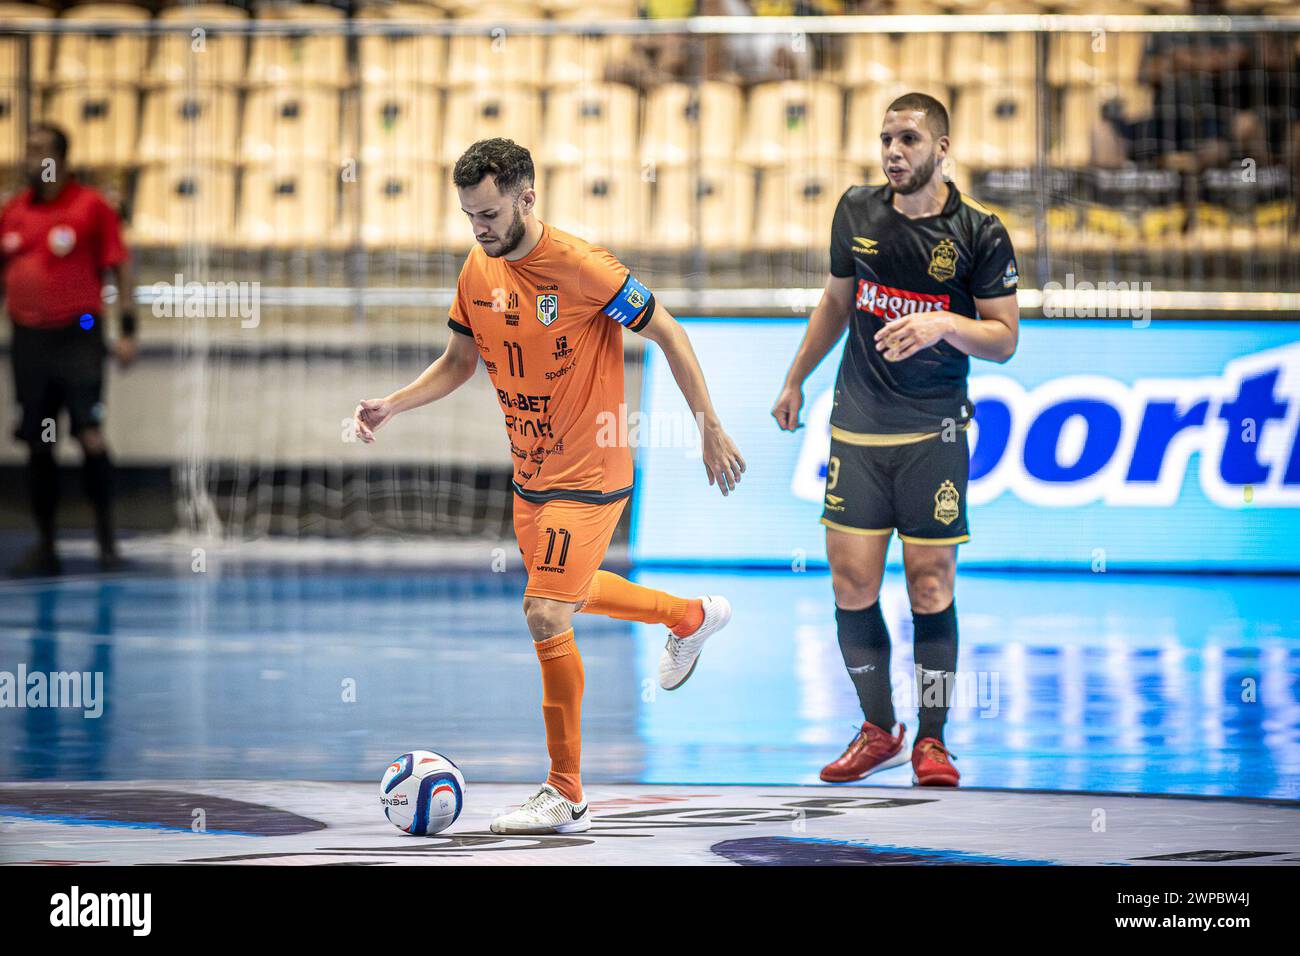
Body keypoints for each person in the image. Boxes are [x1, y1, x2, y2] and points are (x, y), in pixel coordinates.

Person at [354, 138, 745, 833]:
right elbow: (458, 362)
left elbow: (672, 335)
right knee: (569, 593)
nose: (480, 227)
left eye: (491, 213)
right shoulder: (478, 267)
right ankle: (690, 617)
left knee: (544, 612)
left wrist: (708, 426)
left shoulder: (581, 267)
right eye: (470, 214)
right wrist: (392, 404)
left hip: (591, 472)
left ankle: (567, 792)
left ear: (527, 198)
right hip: (530, 476)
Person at [771, 93, 1020, 787]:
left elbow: (1004, 340)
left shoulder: (980, 232)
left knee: (930, 585)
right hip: (856, 426)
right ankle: (879, 727)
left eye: (908, 138)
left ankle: (933, 741)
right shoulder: (856, 210)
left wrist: (942, 324)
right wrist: (795, 380)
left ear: (942, 147)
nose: (893, 151)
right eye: (885, 138)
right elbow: (836, 301)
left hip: (934, 433)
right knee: (852, 585)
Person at [1, 124, 137, 576]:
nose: (30, 158)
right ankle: (46, 546)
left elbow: (119, 268)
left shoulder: (90, 206)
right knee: (41, 442)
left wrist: (127, 330)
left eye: (39, 150)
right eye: (28, 149)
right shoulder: (14, 212)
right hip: (29, 339)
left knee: (88, 433)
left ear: (59, 157)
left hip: (79, 332)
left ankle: (106, 542)